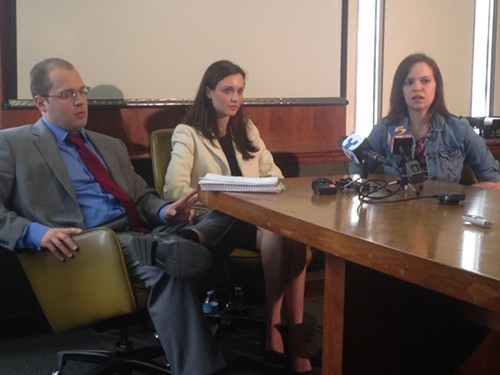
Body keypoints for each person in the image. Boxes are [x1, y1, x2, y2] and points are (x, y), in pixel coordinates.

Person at [0, 57, 238, 375]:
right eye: (68, 94)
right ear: (41, 102)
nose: (80, 100)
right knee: (165, 263)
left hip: (141, 237)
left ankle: (185, 240)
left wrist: (167, 212)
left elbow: (141, 199)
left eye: (82, 91)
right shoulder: (13, 144)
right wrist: (36, 232)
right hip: (89, 245)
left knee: (234, 212)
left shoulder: (109, 145)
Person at [163, 60, 313, 374]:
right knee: (278, 231)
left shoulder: (246, 129)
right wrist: (217, 192)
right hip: (220, 220)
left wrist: (270, 187)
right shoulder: (187, 132)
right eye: (227, 90)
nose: (235, 98)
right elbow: (173, 186)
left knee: (286, 232)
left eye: (240, 91)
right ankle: (276, 329)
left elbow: (274, 175)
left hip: (259, 220)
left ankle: (292, 332)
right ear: (208, 92)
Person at [349, 53, 500, 188]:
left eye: (425, 81)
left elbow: (494, 181)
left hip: (445, 216)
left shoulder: (458, 129)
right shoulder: (384, 129)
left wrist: (464, 196)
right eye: (408, 82)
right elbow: (357, 173)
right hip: (396, 214)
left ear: (437, 86)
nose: (417, 88)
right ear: (400, 90)